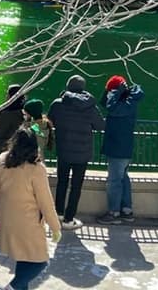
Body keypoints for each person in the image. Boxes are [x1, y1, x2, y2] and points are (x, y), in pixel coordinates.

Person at [0, 127, 62, 290]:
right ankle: (13, 287)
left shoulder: (2, 160)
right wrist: (55, 227)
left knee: (23, 259)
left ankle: (18, 287)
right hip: (29, 223)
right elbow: (46, 202)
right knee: (40, 262)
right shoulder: (36, 169)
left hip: (8, 219)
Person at [47, 74, 105, 230]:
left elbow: (49, 122)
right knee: (76, 186)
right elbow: (100, 125)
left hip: (64, 150)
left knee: (62, 182)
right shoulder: (90, 106)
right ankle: (68, 219)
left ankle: (58, 213)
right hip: (82, 152)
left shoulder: (57, 104)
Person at [100, 75, 142, 224]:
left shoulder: (125, 104)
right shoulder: (128, 100)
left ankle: (114, 213)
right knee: (123, 178)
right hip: (122, 147)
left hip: (118, 148)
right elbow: (104, 103)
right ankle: (126, 210)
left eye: (111, 92)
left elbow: (111, 108)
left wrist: (116, 92)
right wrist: (109, 90)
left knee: (114, 181)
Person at [0, 84, 26, 156]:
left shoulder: (6, 113)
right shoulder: (24, 111)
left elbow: (1, 133)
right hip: (23, 147)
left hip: (7, 149)